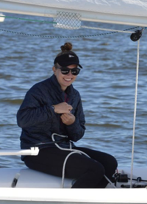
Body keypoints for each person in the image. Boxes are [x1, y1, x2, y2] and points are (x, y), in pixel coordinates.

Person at [16, 42, 118, 189]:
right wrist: (53, 109)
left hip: (64, 147)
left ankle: (91, 201)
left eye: (74, 71)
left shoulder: (75, 95)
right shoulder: (38, 90)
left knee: (109, 162)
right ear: (54, 70)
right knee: (94, 169)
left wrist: (72, 123)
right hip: (38, 151)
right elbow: (22, 120)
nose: (70, 75)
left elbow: (77, 135)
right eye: (65, 71)